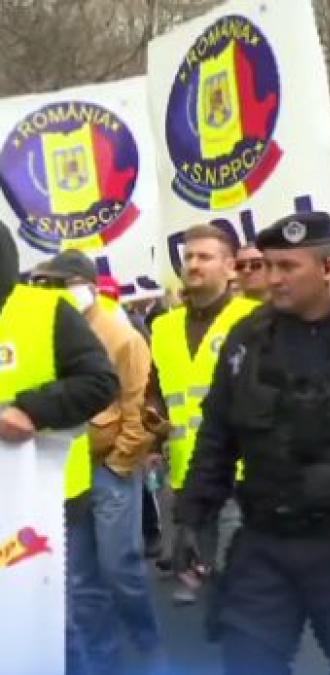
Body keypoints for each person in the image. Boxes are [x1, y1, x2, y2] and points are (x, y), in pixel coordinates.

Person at [172, 212, 330, 674]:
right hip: (266, 542)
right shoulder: (248, 339)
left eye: (287, 267)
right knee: (247, 660)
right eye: (268, 266)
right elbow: (216, 437)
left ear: (327, 269)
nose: (272, 279)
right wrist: (192, 519)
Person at [31, 252, 163, 674]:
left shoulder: (121, 334)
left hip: (110, 468)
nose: (54, 291)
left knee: (120, 568)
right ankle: (102, 660)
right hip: (66, 471)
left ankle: (148, 644)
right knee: (83, 578)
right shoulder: (43, 328)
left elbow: (138, 407)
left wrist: (119, 464)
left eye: (62, 282)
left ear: (87, 284)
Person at [0, 228, 118, 675]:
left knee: (49, 623)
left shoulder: (47, 311)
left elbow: (100, 382)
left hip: (42, 502)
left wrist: (34, 410)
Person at [150, 225, 259, 605]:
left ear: (231, 268)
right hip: (187, 474)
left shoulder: (255, 319)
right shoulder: (162, 328)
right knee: (214, 577)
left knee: (238, 576)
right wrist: (153, 425)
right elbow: (156, 393)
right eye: (188, 257)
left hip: (243, 473)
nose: (193, 264)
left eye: (204, 257)